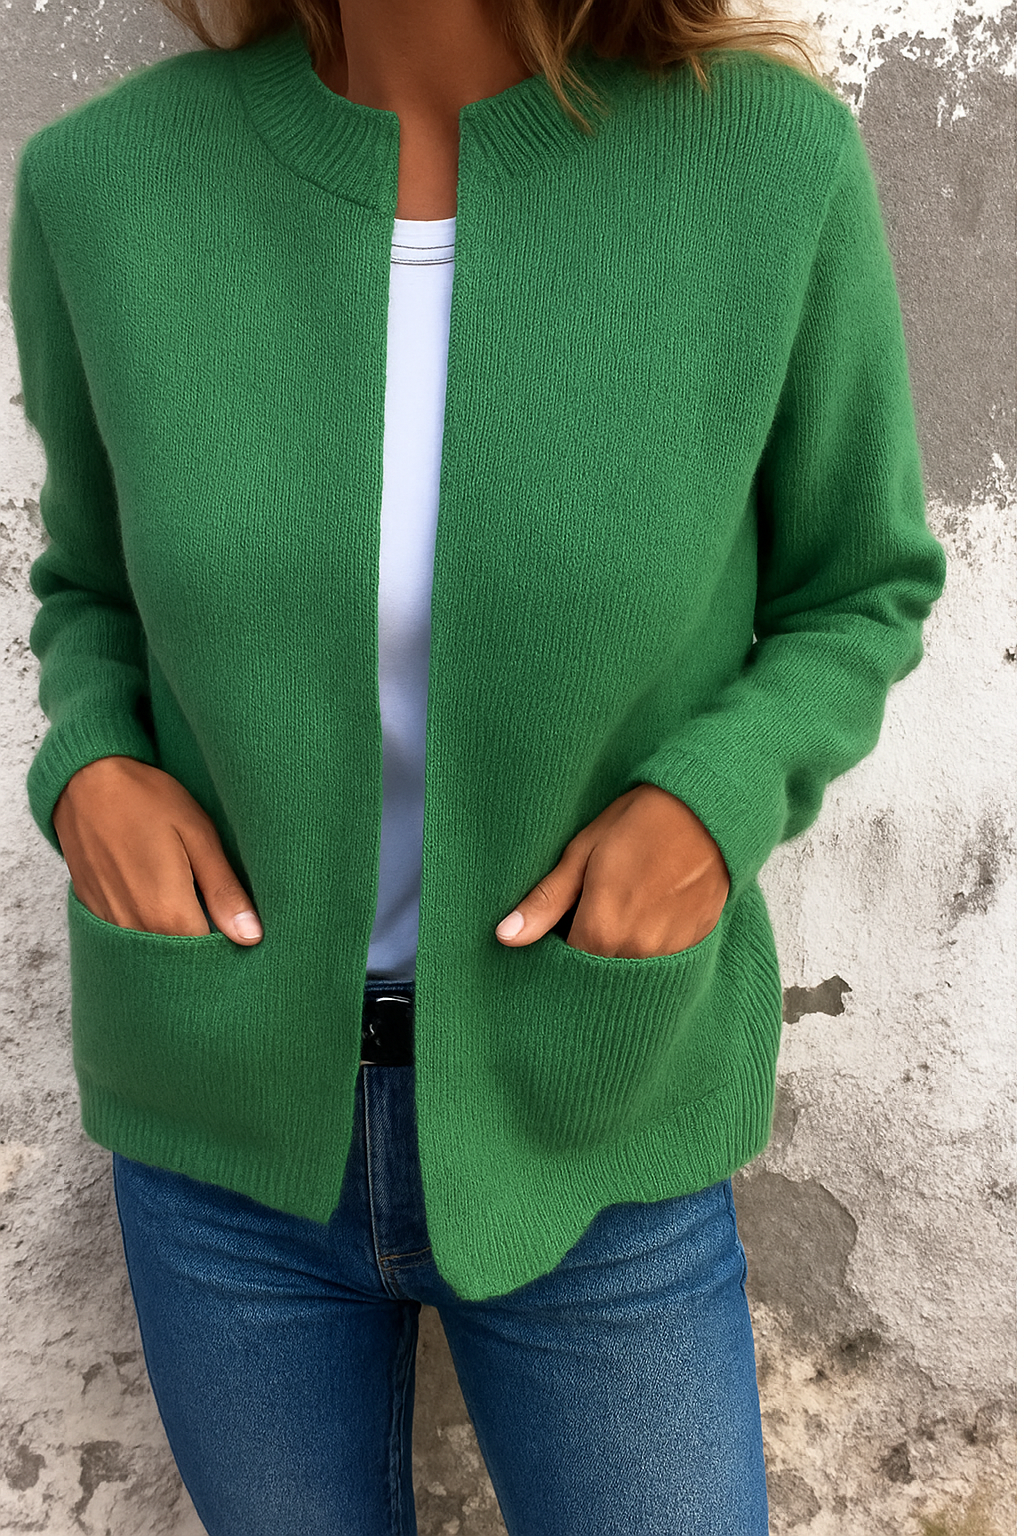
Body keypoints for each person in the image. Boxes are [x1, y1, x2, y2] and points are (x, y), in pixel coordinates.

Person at [7, 0, 946, 1530]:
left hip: (593, 1106)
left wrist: (713, 802)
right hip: (222, 1131)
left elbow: (861, 588)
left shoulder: (768, 171)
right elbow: (90, 590)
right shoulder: (104, 187)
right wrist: (94, 767)